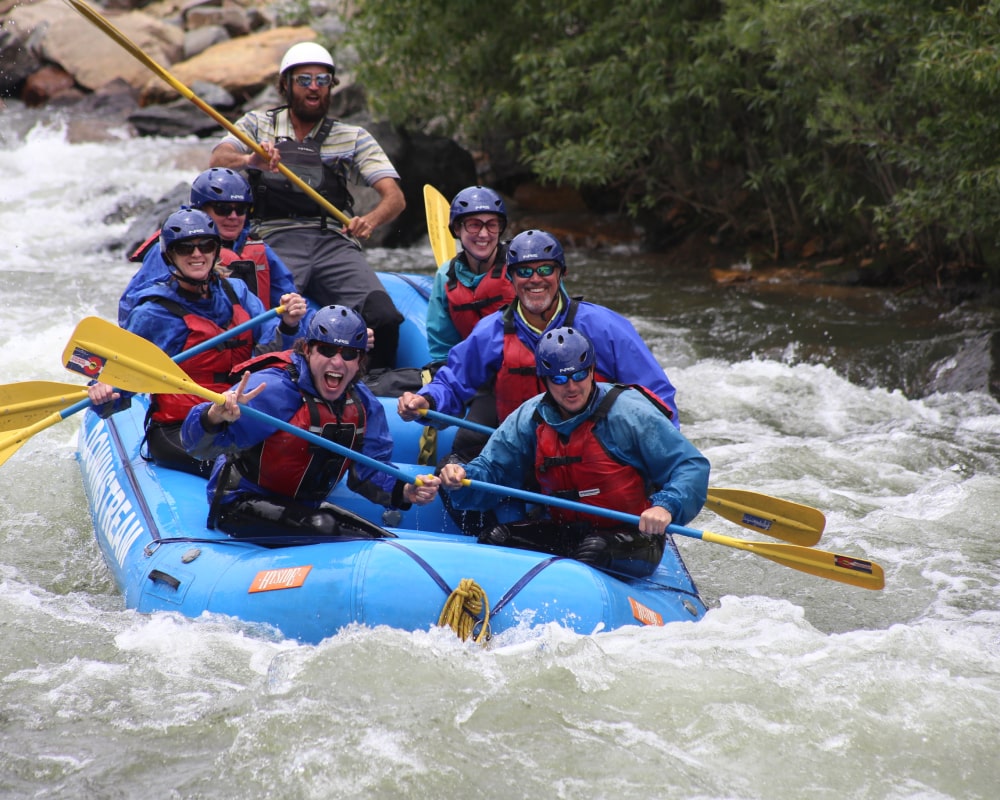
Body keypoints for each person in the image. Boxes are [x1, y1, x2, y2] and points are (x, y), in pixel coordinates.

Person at [397, 228, 681, 533]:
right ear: (510, 277)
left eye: (545, 269)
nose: (535, 279)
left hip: (594, 452)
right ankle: (495, 540)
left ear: (561, 274)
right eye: (524, 271)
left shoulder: (602, 326)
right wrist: (426, 400)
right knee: (452, 473)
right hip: (522, 449)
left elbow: (656, 397)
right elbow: (453, 381)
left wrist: (659, 466)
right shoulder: (491, 331)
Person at [438, 327, 708, 577]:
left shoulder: (629, 413)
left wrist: (665, 505)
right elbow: (492, 469)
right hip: (566, 531)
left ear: (591, 370)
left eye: (579, 374)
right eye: (559, 378)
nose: (571, 387)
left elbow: (690, 466)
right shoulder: (529, 417)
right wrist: (463, 476)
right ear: (545, 380)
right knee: (496, 536)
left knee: (593, 551)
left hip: (632, 534)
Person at [209, 41, 406, 370]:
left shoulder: (352, 136)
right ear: (285, 85)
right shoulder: (258, 124)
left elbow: (395, 197)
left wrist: (370, 220)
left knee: (383, 316)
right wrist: (250, 159)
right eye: (304, 80)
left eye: (322, 80)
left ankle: (375, 386)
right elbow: (217, 160)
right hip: (273, 238)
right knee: (273, 318)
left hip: (333, 241)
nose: (314, 88)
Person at [180, 305, 440, 540]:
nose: (337, 361)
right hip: (239, 503)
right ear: (307, 349)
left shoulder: (364, 405)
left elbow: (369, 472)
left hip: (303, 510)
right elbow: (195, 447)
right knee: (327, 526)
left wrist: (405, 490)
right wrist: (213, 416)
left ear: (360, 360)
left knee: (376, 536)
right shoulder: (272, 389)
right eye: (326, 350)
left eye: (349, 354)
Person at [88, 207, 307, 477]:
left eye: (205, 245)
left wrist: (290, 323)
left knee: (296, 460)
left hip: (239, 417)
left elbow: (276, 345)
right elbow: (122, 383)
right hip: (181, 429)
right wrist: (103, 394)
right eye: (185, 248)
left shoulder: (235, 291)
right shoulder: (153, 314)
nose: (197, 254)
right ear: (170, 256)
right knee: (248, 471)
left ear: (215, 250)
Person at [119, 167, 300, 326]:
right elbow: (132, 309)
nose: (233, 216)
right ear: (200, 210)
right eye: (223, 208)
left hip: (248, 342)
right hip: (186, 340)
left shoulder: (253, 253)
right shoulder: (173, 250)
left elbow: (285, 296)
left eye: (241, 209)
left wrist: (291, 322)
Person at [425, 185, 515, 363]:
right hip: (475, 374)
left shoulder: (521, 266)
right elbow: (443, 350)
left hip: (521, 371)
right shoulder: (446, 276)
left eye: (491, 225)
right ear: (457, 229)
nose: (483, 234)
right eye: (474, 225)